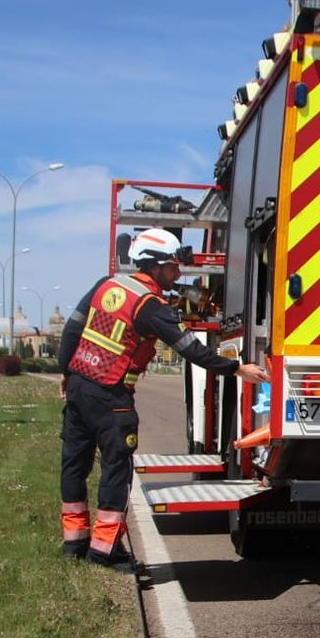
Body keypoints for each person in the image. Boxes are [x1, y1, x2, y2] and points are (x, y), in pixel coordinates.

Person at [57, 228, 266, 570]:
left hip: (80, 386)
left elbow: (72, 329)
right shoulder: (151, 306)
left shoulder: (105, 285)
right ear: (154, 266)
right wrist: (237, 369)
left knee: (74, 465)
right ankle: (104, 550)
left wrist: (66, 372)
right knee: (115, 469)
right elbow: (192, 351)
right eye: (172, 267)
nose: (178, 274)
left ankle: (74, 544)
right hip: (111, 396)